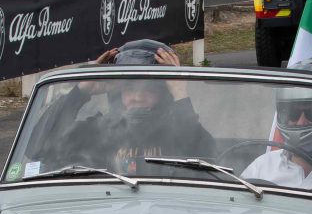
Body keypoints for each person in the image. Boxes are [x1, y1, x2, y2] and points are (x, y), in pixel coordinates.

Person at [25, 40, 215, 173]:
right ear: (118, 93)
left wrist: (179, 91)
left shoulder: (178, 131)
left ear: (164, 93)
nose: (138, 97)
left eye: (149, 90)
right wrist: (82, 90)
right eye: (129, 88)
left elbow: (207, 158)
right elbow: (38, 148)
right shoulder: (100, 130)